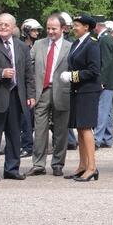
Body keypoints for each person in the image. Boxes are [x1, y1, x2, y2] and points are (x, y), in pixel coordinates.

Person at [0, 13, 36, 182]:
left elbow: (28, 74)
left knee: (14, 135)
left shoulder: (22, 47)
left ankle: (11, 168)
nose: (3, 27)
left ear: (14, 28)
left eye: (6, 25)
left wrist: (30, 94)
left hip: (16, 96)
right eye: (0, 24)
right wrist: (0, 73)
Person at [25, 13, 72, 177]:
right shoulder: (38, 45)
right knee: (39, 130)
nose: (51, 32)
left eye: (54, 28)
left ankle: (58, 164)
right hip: (42, 91)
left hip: (62, 92)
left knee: (61, 131)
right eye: (48, 28)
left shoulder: (70, 47)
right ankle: (38, 164)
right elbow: (27, 66)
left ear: (63, 29)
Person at [61, 14, 101, 181]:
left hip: (88, 91)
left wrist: (73, 76)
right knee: (79, 128)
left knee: (86, 127)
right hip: (77, 91)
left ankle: (92, 167)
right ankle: (82, 165)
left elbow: (94, 70)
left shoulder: (91, 45)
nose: (74, 27)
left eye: (77, 25)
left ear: (86, 27)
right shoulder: (76, 44)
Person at [93, 16, 113, 149]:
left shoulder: (104, 39)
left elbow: (107, 61)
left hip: (107, 80)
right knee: (107, 110)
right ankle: (107, 137)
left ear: (97, 25)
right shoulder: (106, 37)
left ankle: (96, 139)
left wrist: (102, 80)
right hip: (110, 79)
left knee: (102, 110)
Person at [19, 18, 43, 158]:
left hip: (34, 86)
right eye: (33, 30)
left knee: (30, 117)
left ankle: (28, 145)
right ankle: (23, 144)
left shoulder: (37, 46)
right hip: (23, 86)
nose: (36, 33)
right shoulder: (21, 46)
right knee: (24, 117)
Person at [60, 12, 77, 149]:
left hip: (68, 80)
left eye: (68, 26)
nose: (67, 28)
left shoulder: (71, 42)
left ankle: (69, 140)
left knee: (66, 112)